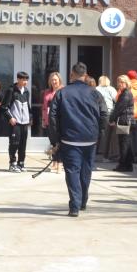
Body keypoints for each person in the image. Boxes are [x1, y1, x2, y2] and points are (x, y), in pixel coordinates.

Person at [49, 62, 109, 216]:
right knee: (86, 170)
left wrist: (55, 139)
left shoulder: (62, 93)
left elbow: (53, 117)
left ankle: (75, 205)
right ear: (86, 75)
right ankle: (82, 201)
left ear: (71, 74)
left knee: (72, 171)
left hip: (70, 138)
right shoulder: (95, 93)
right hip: (90, 138)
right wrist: (99, 133)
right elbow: (104, 114)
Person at [3, 71, 31, 172]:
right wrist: (10, 118)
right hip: (15, 123)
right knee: (14, 143)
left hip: (25, 123)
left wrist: (30, 118)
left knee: (23, 144)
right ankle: (12, 164)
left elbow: (28, 106)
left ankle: (21, 163)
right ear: (18, 79)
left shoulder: (27, 91)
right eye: (23, 79)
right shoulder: (11, 90)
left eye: (27, 80)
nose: (25, 82)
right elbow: (4, 107)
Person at [112, 74, 136, 171]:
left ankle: (123, 165)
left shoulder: (126, 94)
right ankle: (128, 165)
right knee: (127, 144)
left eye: (122, 82)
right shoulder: (126, 93)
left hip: (125, 120)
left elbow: (119, 108)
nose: (119, 84)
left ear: (126, 83)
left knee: (124, 144)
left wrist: (112, 119)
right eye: (118, 82)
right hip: (126, 119)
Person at [42, 72, 64, 173]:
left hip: (59, 121)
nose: (54, 81)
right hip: (48, 120)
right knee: (52, 143)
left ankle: (60, 164)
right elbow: (44, 107)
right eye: (52, 80)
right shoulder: (47, 92)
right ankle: (54, 162)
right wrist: (43, 120)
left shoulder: (63, 91)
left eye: (55, 79)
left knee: (58, 143)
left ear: (59, 80)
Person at [96, 75, 117, 158]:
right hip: (109, 112)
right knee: (107, 134)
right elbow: (116, 100)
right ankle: (105, 154)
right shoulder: (111, 89)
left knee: (99, 133)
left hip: (98, 113)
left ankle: (97, 152)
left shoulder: (96, 89)